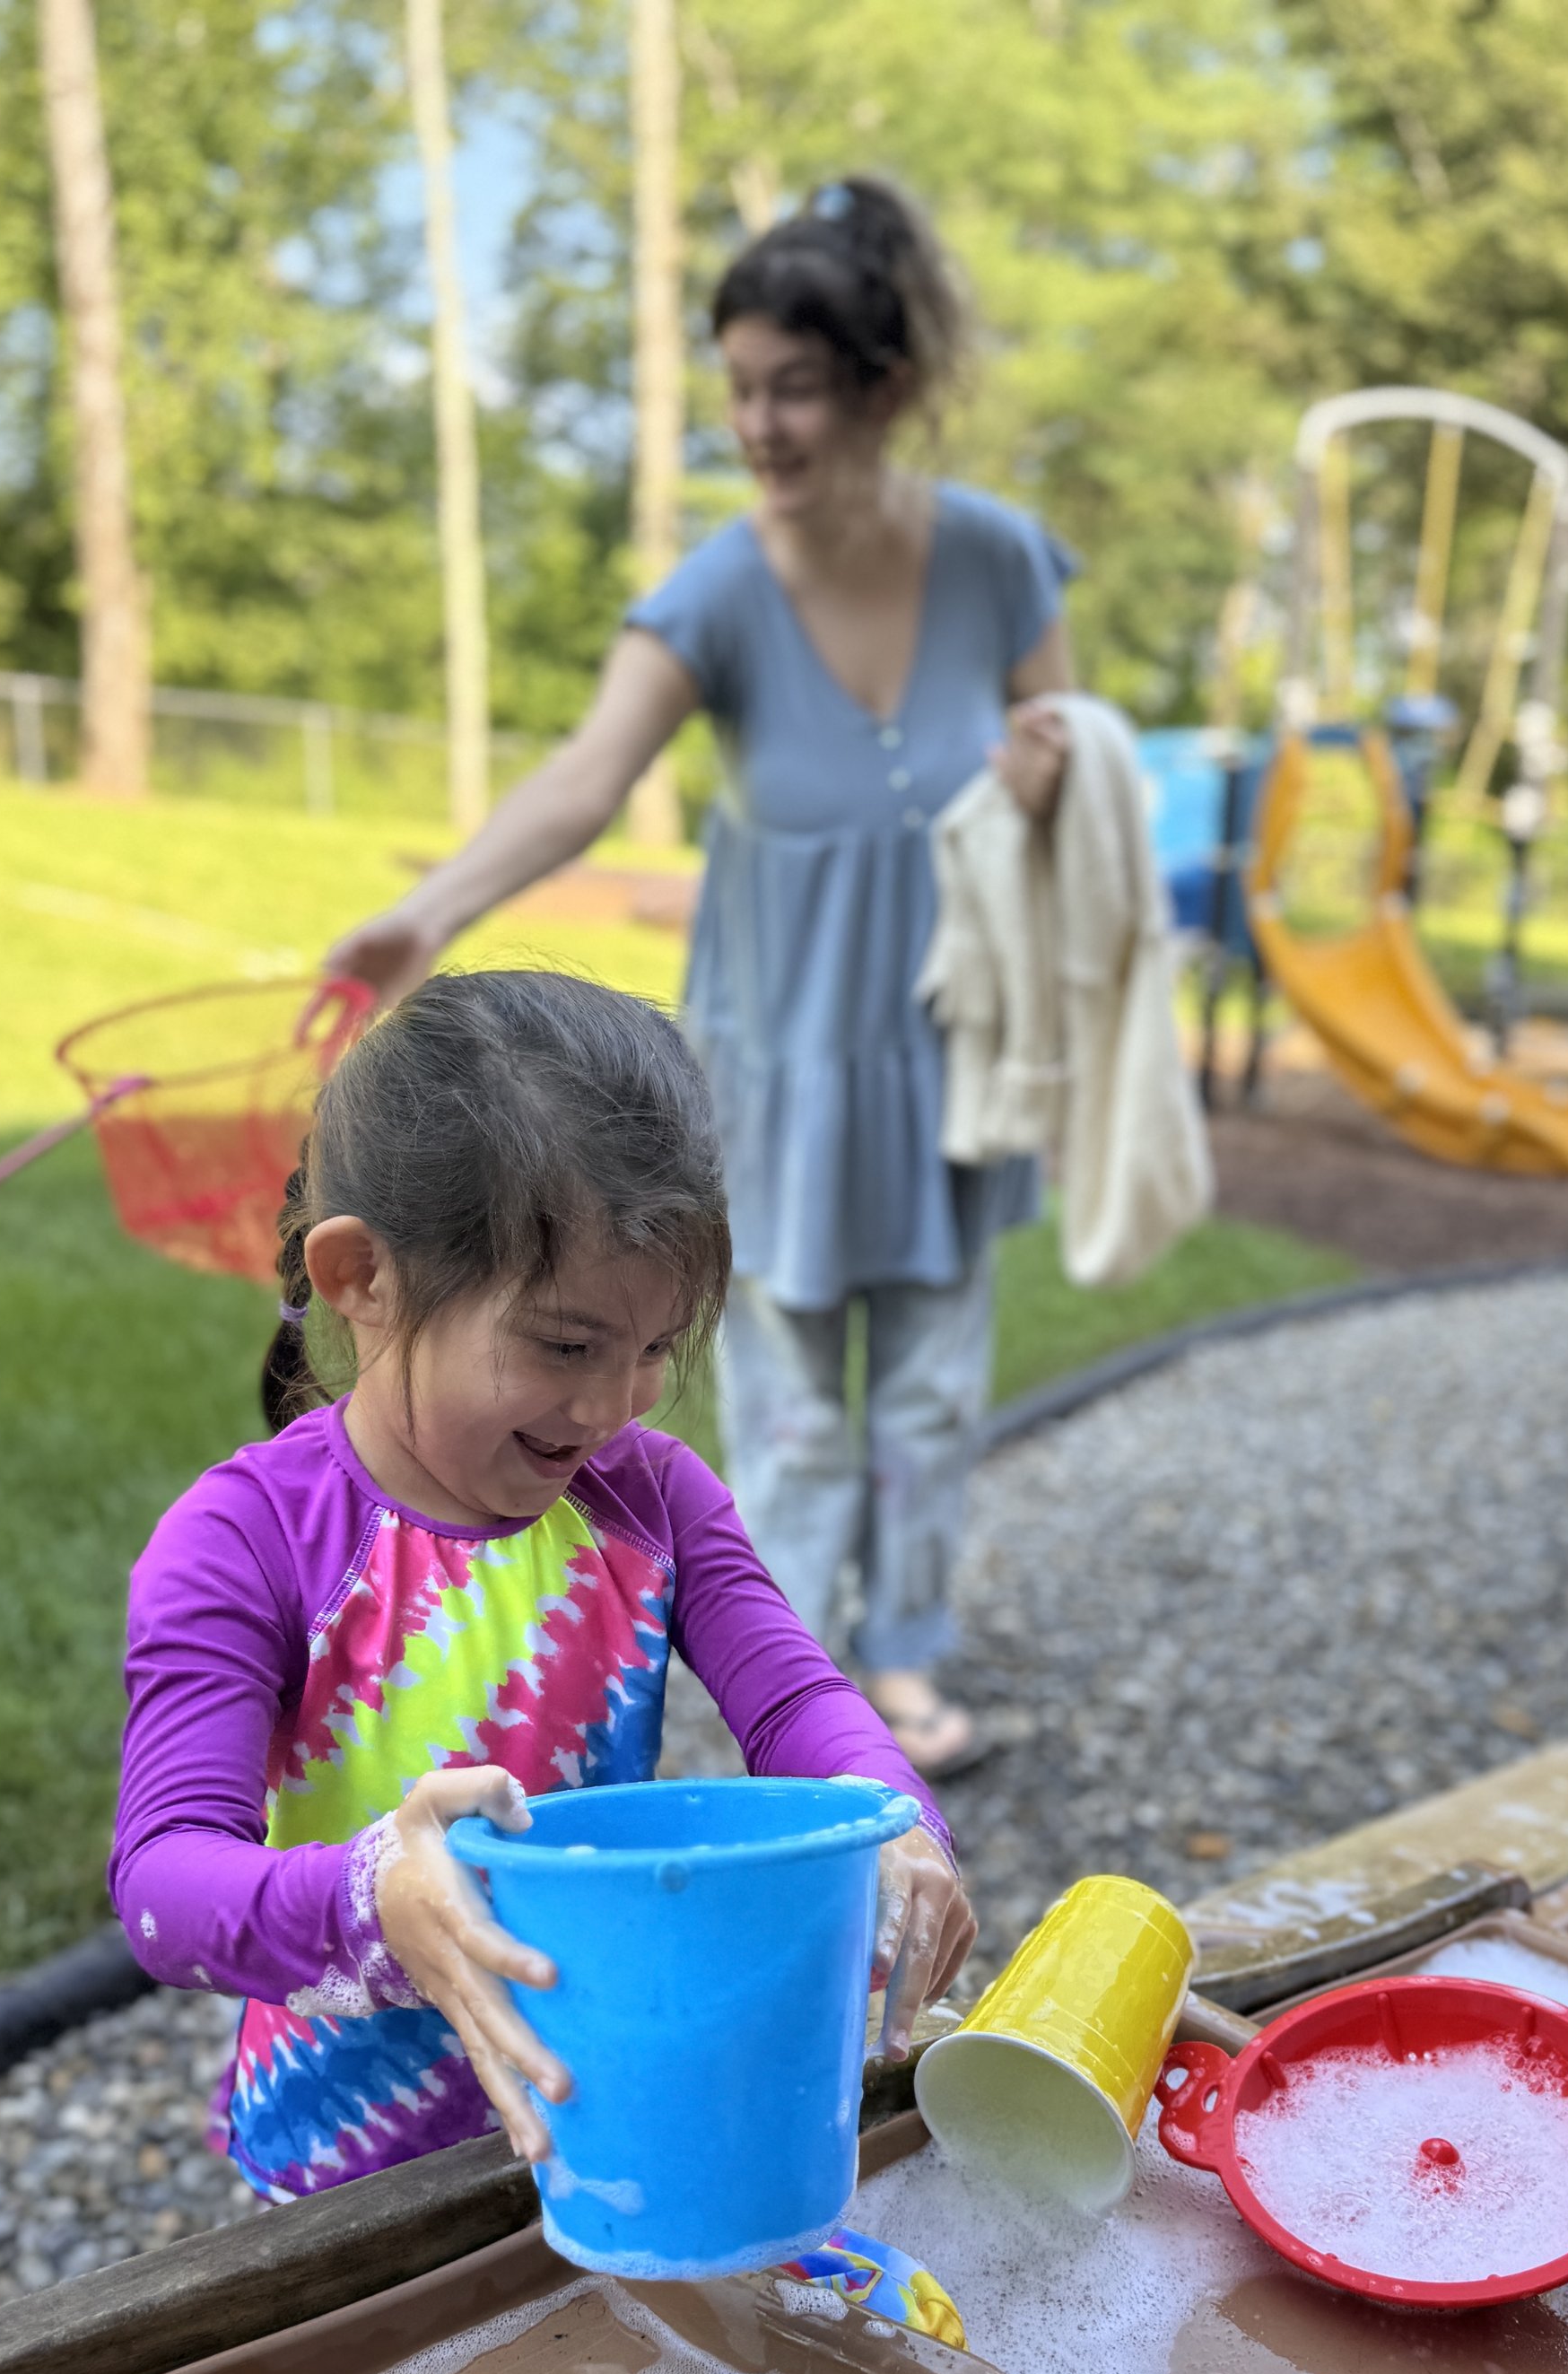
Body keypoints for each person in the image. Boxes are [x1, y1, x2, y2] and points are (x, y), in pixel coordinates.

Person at [324, 176, 1075, 1780]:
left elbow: (1075, 767)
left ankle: (913, 1662)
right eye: (738, 387)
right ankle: (795, 1692)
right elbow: (589, 773)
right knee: (793, 1409)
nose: (758, 423)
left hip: (951, 1054)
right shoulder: (725, 590)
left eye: (791, 386)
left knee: (934, 1391)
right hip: (780, 1068)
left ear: (877, 385)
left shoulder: (1003, 563)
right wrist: (431, 908)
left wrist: (1044, 784)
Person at [114, 970, 974, 2204]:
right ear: (361, 1276)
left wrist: (892, 1824)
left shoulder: (651, 1499)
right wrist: (368, 1893)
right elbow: (163, 1883)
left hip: (602, 2119)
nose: (614, 1404)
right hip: (348, 2177)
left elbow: (795, 1706)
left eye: (655, 1349)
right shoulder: (247, 1540)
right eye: (568, 1345)